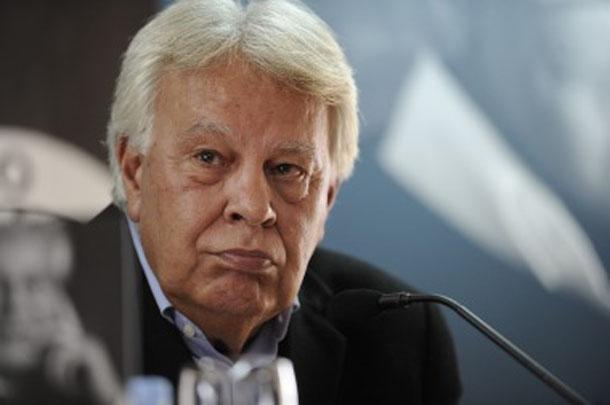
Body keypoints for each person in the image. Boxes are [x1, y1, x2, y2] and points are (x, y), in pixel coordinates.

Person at [95, 0, 461, 403]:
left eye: (287, 169)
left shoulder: (400, 336)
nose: (254, 208)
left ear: (328, 198)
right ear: (134, 172)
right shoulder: (50, 316)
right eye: (208, 158)